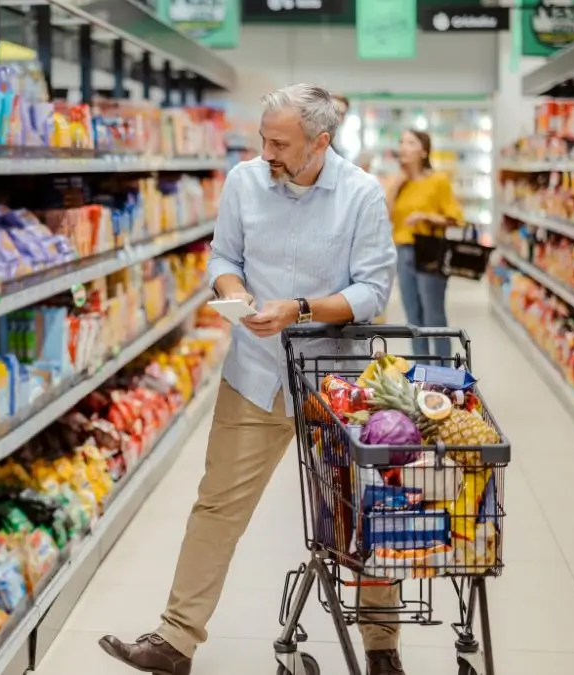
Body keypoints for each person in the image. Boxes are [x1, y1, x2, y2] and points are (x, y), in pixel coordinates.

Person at [98, 85, 405, 675]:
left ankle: (381, 646)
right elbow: (223, 258)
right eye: (264, 138)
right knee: (217, 507)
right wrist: (232, 292)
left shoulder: (362, 195)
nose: (267, 151)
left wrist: (299, 308)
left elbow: (372, 291)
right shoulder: (244, 182)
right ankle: (174, 641)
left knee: (363, 513)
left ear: (321, 142)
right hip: (255, 374)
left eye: (281, 143)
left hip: (334, 381)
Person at [387, 129, 464, 359]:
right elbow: (385, 216)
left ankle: (443, 372)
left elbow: (456, 218)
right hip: (403, 251)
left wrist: (426, 217)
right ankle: (421, 369)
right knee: (413, 316)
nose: (403, 147)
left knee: (433, 316)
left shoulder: (437, 181)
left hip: (429, 250)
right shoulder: (398, 182)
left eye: (410, 142)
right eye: (401, 142)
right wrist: (394, 186)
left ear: (423, 151)